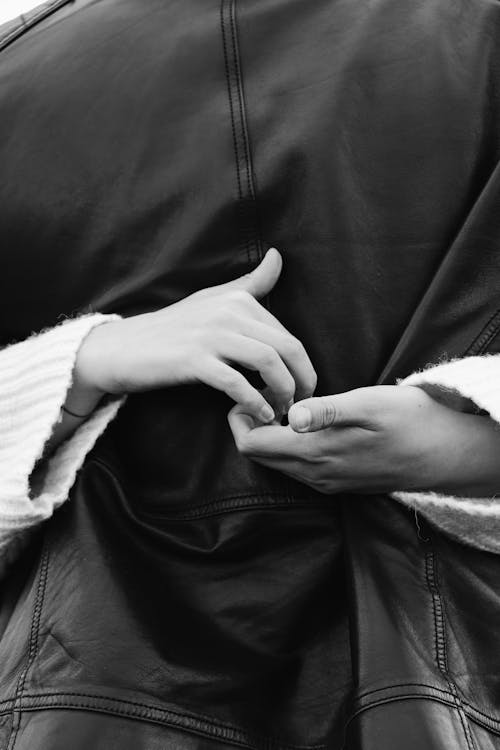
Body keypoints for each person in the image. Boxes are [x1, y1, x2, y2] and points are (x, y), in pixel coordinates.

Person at [0, 0, 499, 748]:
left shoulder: (24, 65)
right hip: (442, 672)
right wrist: (466, 444)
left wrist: (75, 370)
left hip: (88, 683)